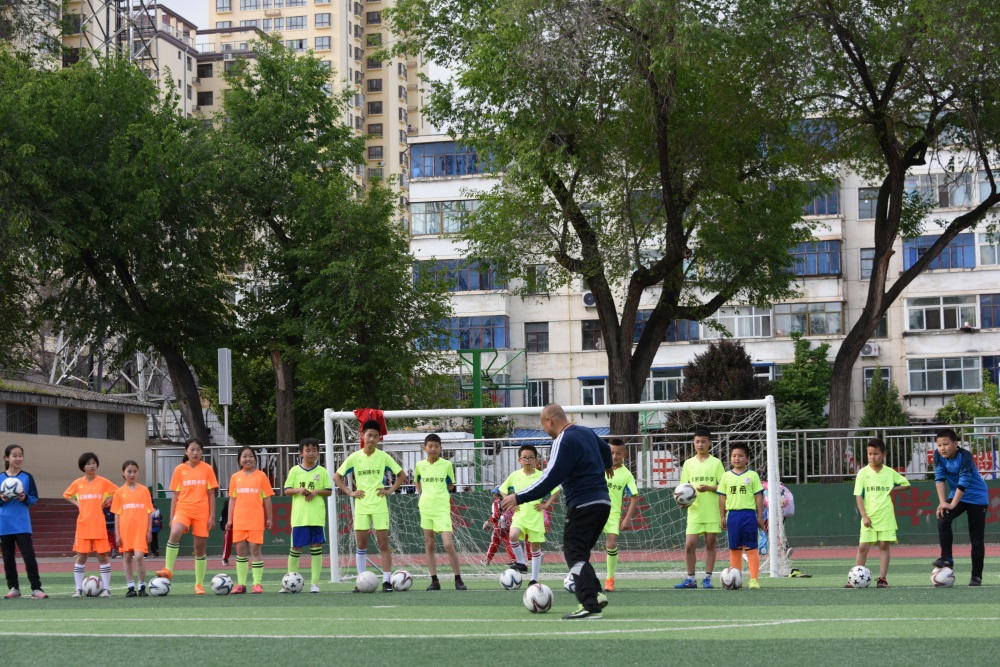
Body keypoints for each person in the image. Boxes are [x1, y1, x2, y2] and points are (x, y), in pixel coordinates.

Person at [502, 404, 613, 620]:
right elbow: (606, 449)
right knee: (580, 552)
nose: (544, 430)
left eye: (543, 425)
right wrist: (608, 465)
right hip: (603, 502)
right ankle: (597, 594)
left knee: (574, 554)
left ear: (549, 421)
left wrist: (518, 496)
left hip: (583, 504)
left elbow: (549, 479)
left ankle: (590, 606)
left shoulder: (563, 440)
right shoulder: (586, 432)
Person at [334, 419, 405, 593]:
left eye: (375, 436)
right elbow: (337, 476)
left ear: (379, 439)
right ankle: (360, 580)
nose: (372, 439)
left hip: (379, 504)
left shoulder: (383, 457)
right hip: (362, 506)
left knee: (383, 544)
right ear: (363, 436)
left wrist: (389, 490)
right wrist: (350, 492)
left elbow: (401, 475)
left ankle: (387, 581)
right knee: (361, 543)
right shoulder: (354, 457)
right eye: (369, 435)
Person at [156, 438, 219, 595]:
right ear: (186, 451)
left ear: (202, 451)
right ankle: (168, 569)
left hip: (202, 512)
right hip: (183, 509)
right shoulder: (179, 470)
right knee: (175, 533)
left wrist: (212, 516)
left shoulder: (207, 469)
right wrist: (172, 517)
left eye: (198, 449)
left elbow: (212, 494)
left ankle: (198, 585)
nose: (195, 452)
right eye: (192, 449)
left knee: (199, 548)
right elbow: (175, 495)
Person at [845, 439, 910, 588]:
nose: (872, 457)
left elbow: (906, 484)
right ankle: (854, 578)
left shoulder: (889, 472)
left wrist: (892, 489)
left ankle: (882, 579)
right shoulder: (863, 473)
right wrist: (864, 516)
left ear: (883, 454)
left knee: (884, 545)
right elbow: (859, 496)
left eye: (876, 453)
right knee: (863, 547)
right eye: (869, 454)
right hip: (869, 516)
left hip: (886, 515)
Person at [932, 428, 989, 586]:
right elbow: (939, 478)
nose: (942, 448)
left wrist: (951, 504)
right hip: (956, 494)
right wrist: (943, 503)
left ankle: (976, 576)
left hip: (977, 497)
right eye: (939, 445)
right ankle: (947, 559)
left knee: (976, 539)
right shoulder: (938, 455)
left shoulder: (965, 456)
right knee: (943, 519)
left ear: (955, 444)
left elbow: (963, 482)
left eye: (946, 444)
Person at [415, 433, 467, 591]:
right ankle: (434, 580)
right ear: (424, 448)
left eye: (436, 446)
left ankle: (458, 579)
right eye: (430, 446)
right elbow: (417, 480)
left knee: (448, 544)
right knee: (429, 544)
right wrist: (421, 495)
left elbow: (451, 486)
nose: (433, 449)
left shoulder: (446, 465)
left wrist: (439, 494)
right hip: (426, 509)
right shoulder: (420, 465)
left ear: (441, 448)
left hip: (442, 509)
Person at [675, 427, 724, 589]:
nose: (700, 444)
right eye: (697, 442)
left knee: (710, 543)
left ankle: (708, 578)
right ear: (694, 443)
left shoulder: (716, 463)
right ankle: (690, 579)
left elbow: (723, 487)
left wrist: (709, 488)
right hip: (695, 511)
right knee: (690, 544)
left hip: (712, 511)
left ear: (710, 443)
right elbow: (682, 488)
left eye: (703, 441)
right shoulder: (688, 464)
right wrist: (682, 502)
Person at [63, 452, 118, 598]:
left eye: (94, 463)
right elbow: (67, 495)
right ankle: (78, 589)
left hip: (99, 525)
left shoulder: (103, 482)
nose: (91, 465)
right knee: (81, 557)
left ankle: (106, 589)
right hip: (83, 525)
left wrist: (108, 501)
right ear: (83, 466)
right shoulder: (78, 483)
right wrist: (78, 504)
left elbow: (117, 492)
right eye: (88, 463)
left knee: (103, 557)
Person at [283, 437, 333, 593]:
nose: (311, 453)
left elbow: (329, 491)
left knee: (316, 547)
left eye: (314, 450)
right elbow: (286, 490)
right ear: (301, 453)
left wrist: (316, 491)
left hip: (316, 516)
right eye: (308, 450)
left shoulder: (322, 471)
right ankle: (288, 582)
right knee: (296, 548)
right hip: (299, 517)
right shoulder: (295, 471)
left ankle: (314, 583)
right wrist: (298, 489)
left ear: (318, 453)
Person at [0, 444, 46, 599]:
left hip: (22, 524)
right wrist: (1, 500)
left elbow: (34, 499)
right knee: (8, 558)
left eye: (20, 455)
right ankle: (14, 588)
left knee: (29, 556)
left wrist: (25, 498)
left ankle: (36, 588)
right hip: (5, 524)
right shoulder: (0, 478)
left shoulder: (27, 477)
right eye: (14, 455)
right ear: (7, 457)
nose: (18, 458)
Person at [226, 446, 274, 594]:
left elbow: (267, 499)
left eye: (251, 456)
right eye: (244, 456)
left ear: (255, 458)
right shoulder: (235, 477)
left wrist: (269, 518)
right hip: (239, 520)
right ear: (239, 460)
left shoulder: (261, 476)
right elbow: (232, 500)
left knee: (254, 549)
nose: (248, 459)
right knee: (240, 551)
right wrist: (229, 520)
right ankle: (241, 584)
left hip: (255, 520)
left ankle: (257, 583)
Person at [717, 443, 765, 590]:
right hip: (733, 516)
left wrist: (760, 517)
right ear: (730, 458)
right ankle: (735, 578)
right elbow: (722, 498)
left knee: (751, 548)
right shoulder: (726, 476)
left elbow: (758, 497)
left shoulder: (752, 475)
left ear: (747, 459)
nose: (737, 458)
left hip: (749, 515)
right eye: (734, 456)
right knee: (735, 548)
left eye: (740, 456)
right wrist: (722, 516)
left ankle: (754, 580)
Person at [500, 444, 548, 585]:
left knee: (535, 549)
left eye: (530, 457)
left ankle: (534, 579)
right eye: (524, 458)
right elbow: (502, 489)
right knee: (513, 535)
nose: (527, 460)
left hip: (535, 516)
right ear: (519, 460)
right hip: (520, 515)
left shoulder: (542, 476)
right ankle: (521, 562)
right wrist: (510, 502)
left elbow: (556, 490)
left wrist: (546, 504)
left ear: (535, 460)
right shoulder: (515, 475)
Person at [112, 460, 154, 597]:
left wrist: (149, 530)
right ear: (123, 473)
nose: (132, 474)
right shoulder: (119, 493)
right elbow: (117, 515)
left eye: (135, 471)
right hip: (125, 531)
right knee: (127, 556)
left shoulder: (144, 491)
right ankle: (130, 587)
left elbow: (149, 512)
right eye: (129, 471)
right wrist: (117, 534)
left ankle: (142, 586)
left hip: (140, 530)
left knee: (140, 556)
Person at [483, 486, 516, 565]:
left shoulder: (496, 502)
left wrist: (488, 522)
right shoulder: (508, 501)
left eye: (494, 493)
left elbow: (496, 515)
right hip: (508, 524)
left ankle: (487, 560)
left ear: (497, 494)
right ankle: (513, 560)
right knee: (508, 542)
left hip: (499, 525)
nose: (493, 494)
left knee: (494, 542)